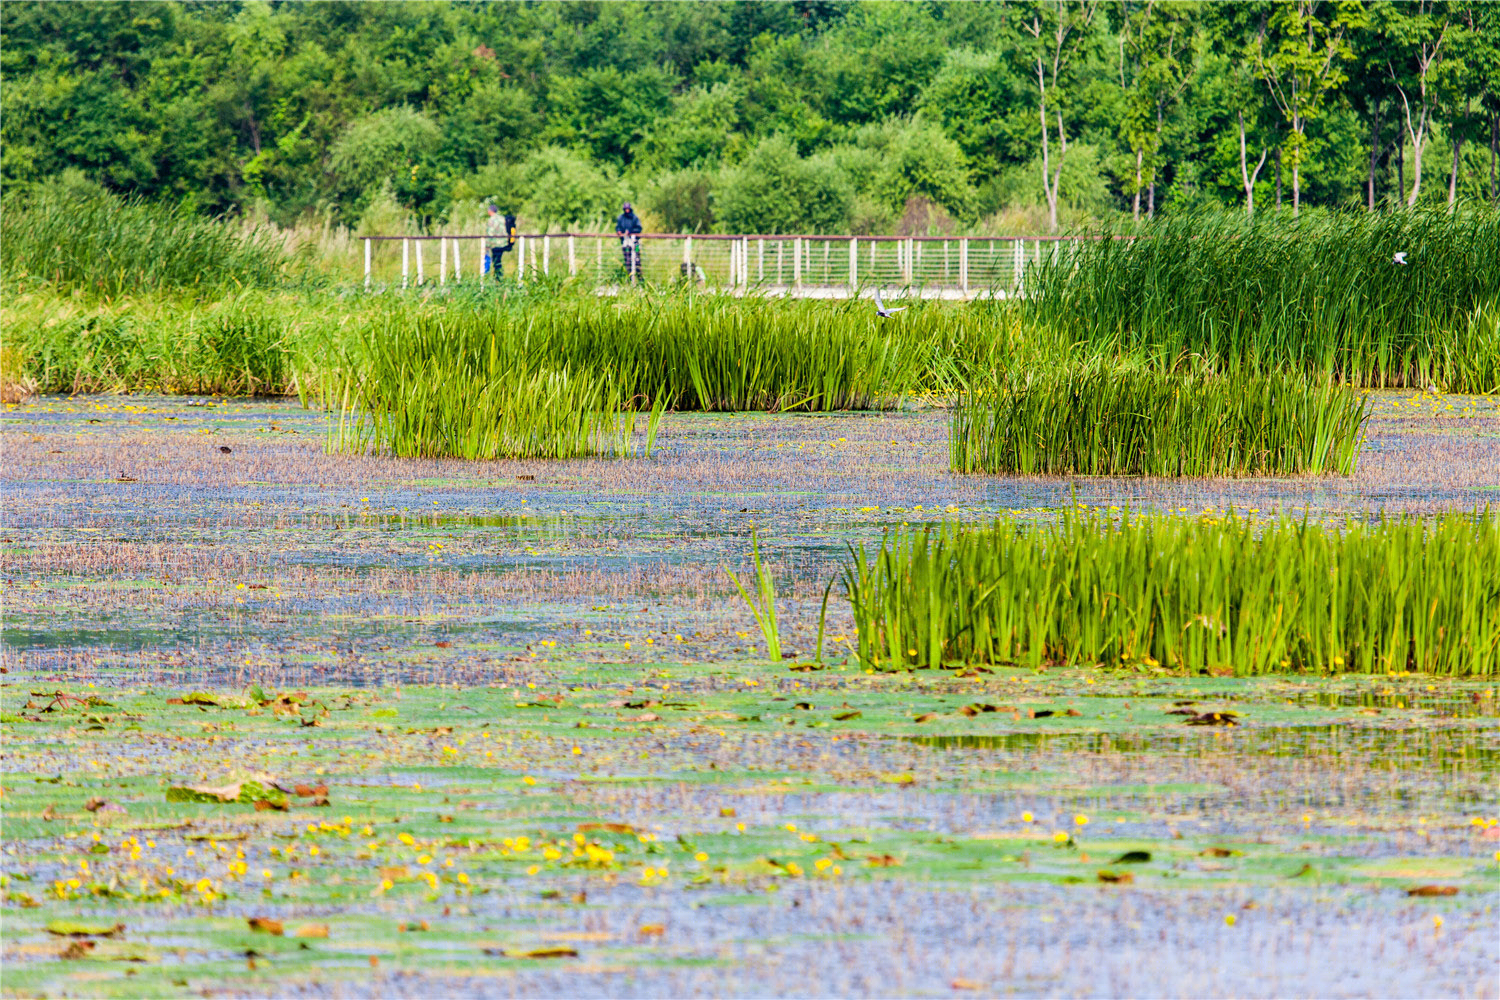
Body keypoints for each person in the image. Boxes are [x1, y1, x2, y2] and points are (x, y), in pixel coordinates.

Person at [485, 204, 515, 278]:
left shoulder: (491, 220)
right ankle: (498, 277)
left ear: (490, 211)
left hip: (495, 244)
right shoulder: (502, 218)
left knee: (496, 262)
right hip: (503, 243)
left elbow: (490, 233)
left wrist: (487, 245)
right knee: (498, 260)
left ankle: (498, 277)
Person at [615, 201, 642, 281]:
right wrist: (619, 231)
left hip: (635, 243)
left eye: (628, 209)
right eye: (625, 209)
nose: (627, 210)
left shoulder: (635, 218)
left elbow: (639, 228)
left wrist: (630, 232)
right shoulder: (621, 218)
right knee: (627, 259)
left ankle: (640, 279)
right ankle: (630, 278)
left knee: (637, 260)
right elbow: (618, 227)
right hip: (626, 243)